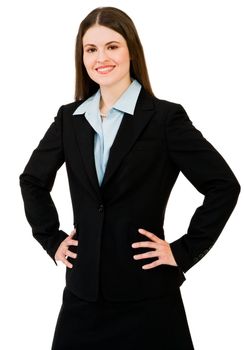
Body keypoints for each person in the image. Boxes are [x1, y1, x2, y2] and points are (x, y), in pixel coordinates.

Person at [19, 6, 240, 350]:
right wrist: (51, 239)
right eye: (91, 49)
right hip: (83, 299)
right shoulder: (69, 119)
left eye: (112, 46)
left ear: (131, 50)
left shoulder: (165, 118)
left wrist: (184, 250)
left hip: (148, 299)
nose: (101, 57)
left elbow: (223, 185)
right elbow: (32, 180)